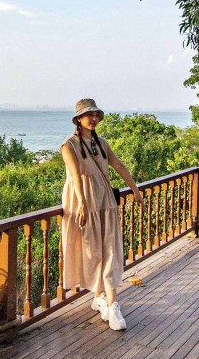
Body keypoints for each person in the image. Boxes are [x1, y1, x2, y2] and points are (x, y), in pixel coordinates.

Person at [60, 99, 144, 331]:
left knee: (109, 250)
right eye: (89, 115)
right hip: (83, 203)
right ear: (78, 119)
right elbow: (76, 176)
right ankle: (99, 297)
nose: (93, 118)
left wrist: (135, 190)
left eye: (96, 114)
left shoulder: (102, 143)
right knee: (93, 251)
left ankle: (112, 303)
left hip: (105, 200)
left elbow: (118, 165)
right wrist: (83, 205)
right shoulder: (69, 145)